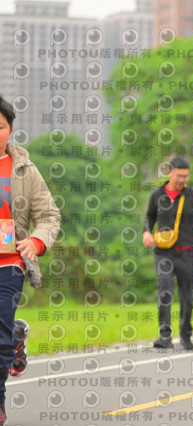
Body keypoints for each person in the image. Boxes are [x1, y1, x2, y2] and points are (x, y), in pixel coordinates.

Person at [0, 95, 61, 426]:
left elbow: (49, 215)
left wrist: (36, 242)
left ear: (10, 130)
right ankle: (15, 336)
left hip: (8, 262)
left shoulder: (24, 170)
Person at [143, 157, 193, 351]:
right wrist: (146, 232)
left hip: (188, 253)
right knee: (165, 290)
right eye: (179, 176)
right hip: (163, 253)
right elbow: (149, 217)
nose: (183, 180)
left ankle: (185, 336)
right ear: (169, 172)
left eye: (186, 176)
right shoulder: (157, 195)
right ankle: (164, 336)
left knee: (187, 295)